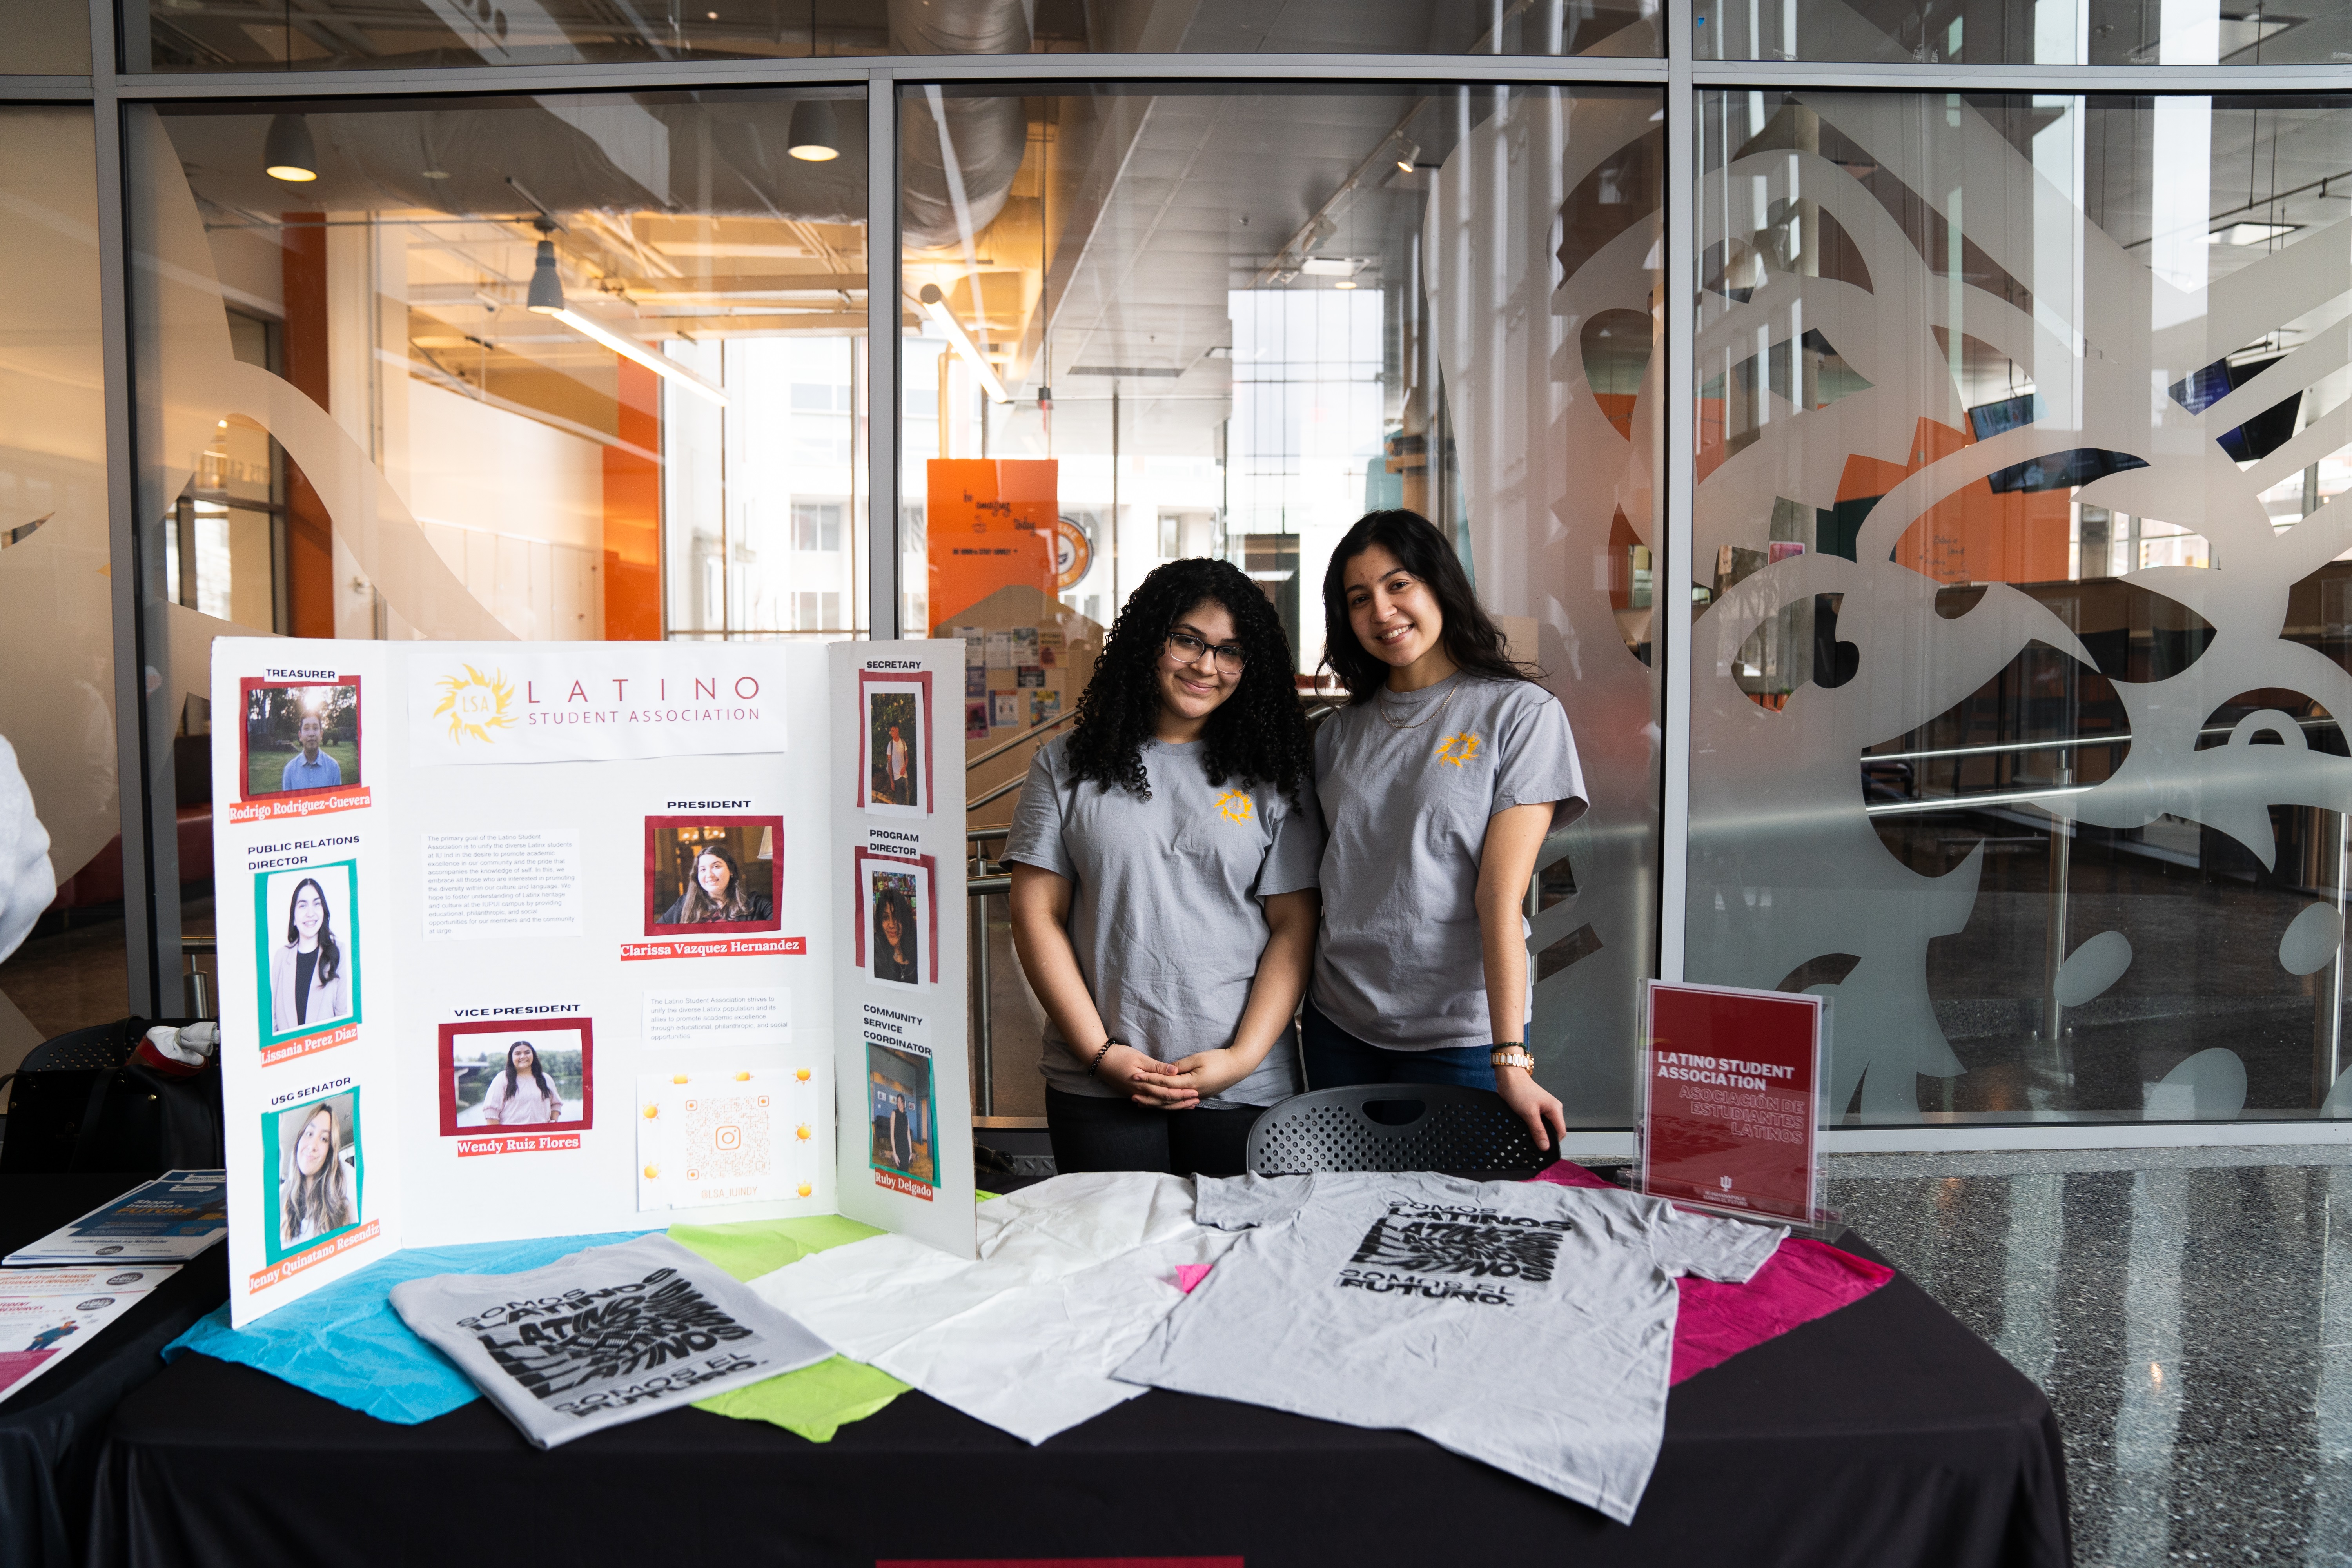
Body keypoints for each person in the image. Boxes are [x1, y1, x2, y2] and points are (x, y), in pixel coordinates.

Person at [1006, 558, 1323, 1179]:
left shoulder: (1275, 773)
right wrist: (1101, 1055)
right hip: (1099, 1080)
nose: (1207, 667)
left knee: (1236, 1265)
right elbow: (1034, 913)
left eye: (1231, 652)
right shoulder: (1065, 763)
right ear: (1150, 639)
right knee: (1115, 1265)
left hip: (1243, 1082)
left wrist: (1239, 1059)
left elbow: (1295, 926)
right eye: (1188, 641)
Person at [1307, 510, 1586, 1151]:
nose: (1382, 610)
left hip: (1461, 1035)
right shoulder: (1337, 736)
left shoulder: (1519, 715)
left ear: (1439, 585)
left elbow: (1499, 896)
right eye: (1359, 598)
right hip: (1339, 1028)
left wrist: (1509, 1056)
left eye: (1398, 584)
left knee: (1454, 1233)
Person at [269, 877, 350, 1036]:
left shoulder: (339, 952)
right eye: (303, 905)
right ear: (293, 918)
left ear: (324, 911)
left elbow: (344, 1018)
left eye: (317, 904)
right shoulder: (281, 956)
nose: (310, 913)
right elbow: (272, 1021)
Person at [280, 1101, 352, 1246]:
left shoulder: (346, 1178)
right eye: (309, 1134)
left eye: (324, 1139)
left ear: (330, 1152)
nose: (313, 1146)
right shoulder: (282, 1195)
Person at [656, 843, 772, 925]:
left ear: (731, 871)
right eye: (703, 870)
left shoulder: (756, 903)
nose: (709, 875)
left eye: (716, 866)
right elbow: (658, 933)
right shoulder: (685, 903)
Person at [479, 1039, 566, 1125]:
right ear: (511, 1058)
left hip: (542, 1136)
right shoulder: (502, 1079)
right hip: (512, 1137)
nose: (523, 1057)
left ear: (534, 1055)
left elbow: (556, 1104)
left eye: (527, 1053)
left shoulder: (546, 1079)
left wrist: (552, 1126)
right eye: (518, 1054)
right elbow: (491, 1112)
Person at [279, 711, 342, 792]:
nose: (311, 734)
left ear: (321, 735)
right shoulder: (289, 770)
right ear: (300, 736)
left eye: (316, 728)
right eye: (306, 729)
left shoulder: (333, 767)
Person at [873, 887, 920, 984]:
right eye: (886, 918)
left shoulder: (917, 948)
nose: (891, 925)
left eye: (896, 917)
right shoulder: (876, 951)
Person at [886, 721, 913, 805]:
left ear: (898, 730)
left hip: (905, 776)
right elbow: (890, 764)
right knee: (900, 803)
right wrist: (891, 781)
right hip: (896, 778)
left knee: (908, 800)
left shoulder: (903, 743)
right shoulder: (890, 745)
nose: (892, 734)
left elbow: (907, 758)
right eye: (891, 731)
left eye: (893, 731)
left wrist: (905, 767)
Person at [889, 1091, 915, 1171]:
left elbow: (908, 1136)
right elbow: (892, 1135)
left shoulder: (906, 1118)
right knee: (900, 1175)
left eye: (901, 1102)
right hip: (899, 1151)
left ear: (904, 1103)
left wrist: (911, 1153)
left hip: (906, 1151)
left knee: (906, 1174)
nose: (899, 1104)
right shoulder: (894, 1114)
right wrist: (894, 1154)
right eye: (898, 1102)